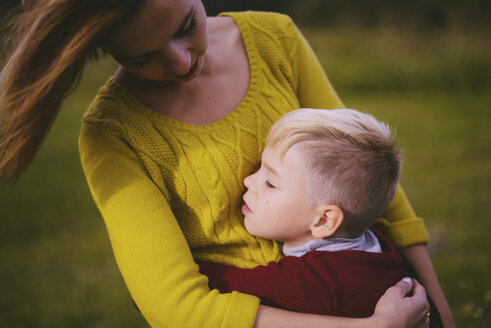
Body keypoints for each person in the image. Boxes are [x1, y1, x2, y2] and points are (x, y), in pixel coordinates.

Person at [0, 1, 454, 327]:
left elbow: (361, 173)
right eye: (141, 57)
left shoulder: (275, 40)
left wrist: (438, 306)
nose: (180, 63)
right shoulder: (112, 134)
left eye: (184, 26)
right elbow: (175, 307)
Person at [199, 108, 442, 326]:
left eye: (271, 183)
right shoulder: (379, 243)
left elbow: (207, 281)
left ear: (324, 221)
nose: (249, 181)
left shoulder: (311, 282)